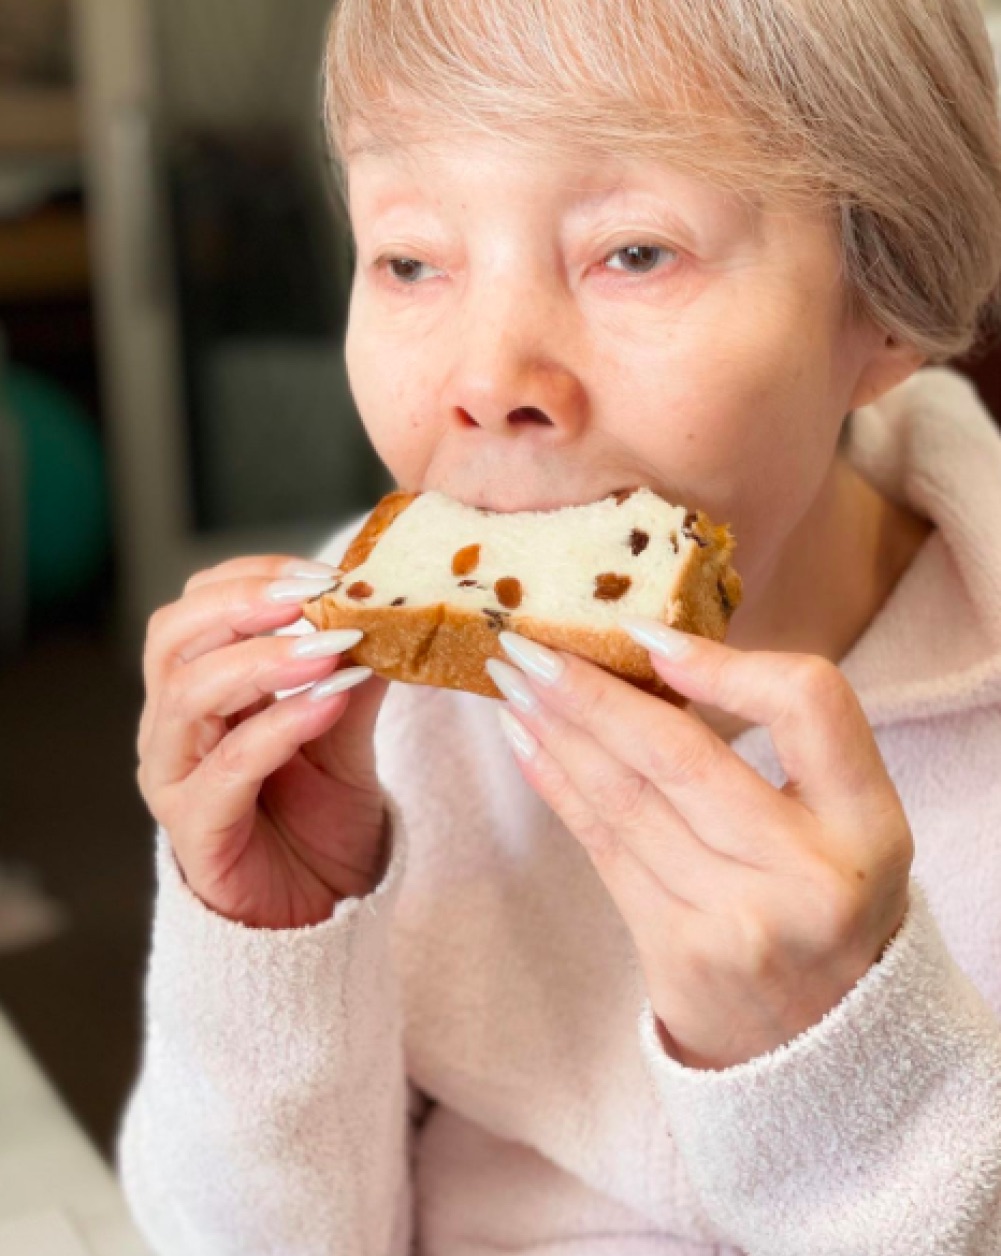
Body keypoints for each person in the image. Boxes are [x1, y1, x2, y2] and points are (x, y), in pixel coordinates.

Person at [120, 1, 1001, 1252]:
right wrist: (268, 946)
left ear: (887, 298)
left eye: (633, 251)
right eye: (412, 259)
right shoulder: (377, 694)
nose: (487, 379)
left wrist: (835, 1067)